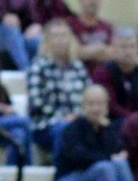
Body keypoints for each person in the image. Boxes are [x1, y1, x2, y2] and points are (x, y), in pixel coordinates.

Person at [47, 83, 138, 181]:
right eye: (91, 104)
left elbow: (118, 152)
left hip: (100, 177)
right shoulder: (72, 128)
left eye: (100, 104)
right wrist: (109, 157)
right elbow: (79, 157)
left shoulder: (110, 128)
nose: (96, 108)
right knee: (104, 167)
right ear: (83, 106)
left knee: (120, 163)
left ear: (107, 106)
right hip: (70, 178)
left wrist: (107, 132)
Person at [26, 19, 90, 156]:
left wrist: (80, 116)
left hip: (79, 120)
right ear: (47, 40)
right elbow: (37, 103)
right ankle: (62, 173)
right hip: (47, 124)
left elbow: (89, 95)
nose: (61, 40)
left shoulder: (78, 66)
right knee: (65, 128)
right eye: (55, 36)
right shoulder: (38, 67)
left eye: (64, 35)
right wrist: (65, 117)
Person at [94, 28, 138, 116]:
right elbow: (110, 106)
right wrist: (134, 118)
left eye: (132, 46)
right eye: (123, 47)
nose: (128, 52)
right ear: (113, 49)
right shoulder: (103, 73)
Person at [68, 0, 115, 72]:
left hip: (104, 75)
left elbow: (114, 53)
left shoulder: (107, 27)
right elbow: (73, 52)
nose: (92, 1)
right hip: (77, 74)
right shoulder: (69, 24)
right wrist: (100, 48)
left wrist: (86, 51)